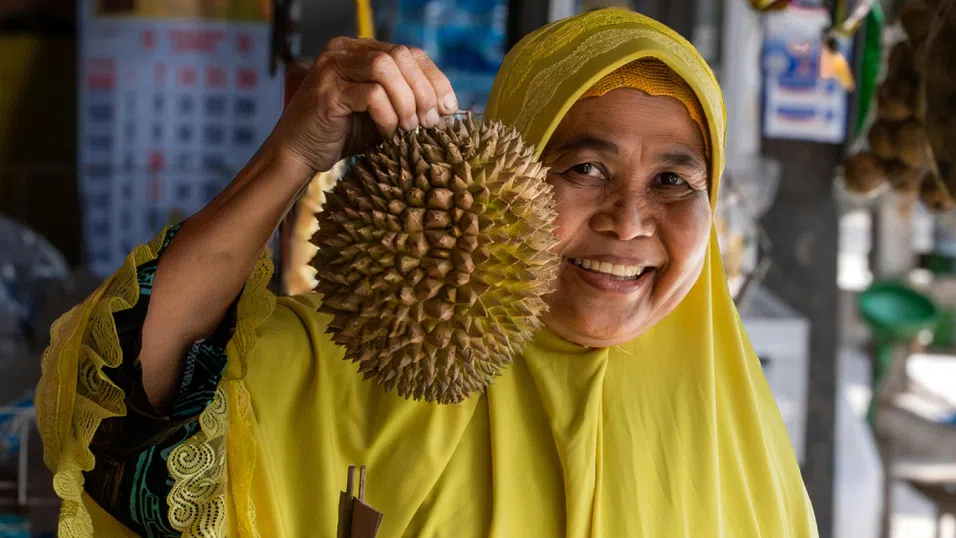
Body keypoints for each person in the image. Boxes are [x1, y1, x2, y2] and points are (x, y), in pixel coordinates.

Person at [37, 8, 818, 538]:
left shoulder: (745, 451)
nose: (629, 220)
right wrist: (290, 159)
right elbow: (123, 397)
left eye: (675, 182)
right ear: (509, 178)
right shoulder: (371, 363)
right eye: (585, 166)